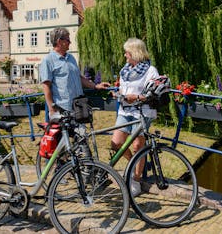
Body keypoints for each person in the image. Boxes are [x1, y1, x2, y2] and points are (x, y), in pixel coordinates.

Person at [111, 37, 159, 196]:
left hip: (142, 111)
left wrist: (137, 98)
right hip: (125, 111)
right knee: (116, 143)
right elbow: (124, 91)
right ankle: (132, 165)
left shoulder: (151, 71)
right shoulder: (124, 71)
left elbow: (154, 95)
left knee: (138, 146)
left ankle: (136, 179)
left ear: (135, 53)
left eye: (127, 52)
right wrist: (118, 94)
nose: (125, 55)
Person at [40, 27, 110, 116]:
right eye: (68, 40)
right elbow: (46, 86)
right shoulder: (48, 60)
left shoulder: (71, 58)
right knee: (66, 130)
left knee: (81, 130)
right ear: (59, 41)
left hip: (79, 105)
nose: (70, 42)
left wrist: (95, 86)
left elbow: (79, 77)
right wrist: (51, 109)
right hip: (62, 108)